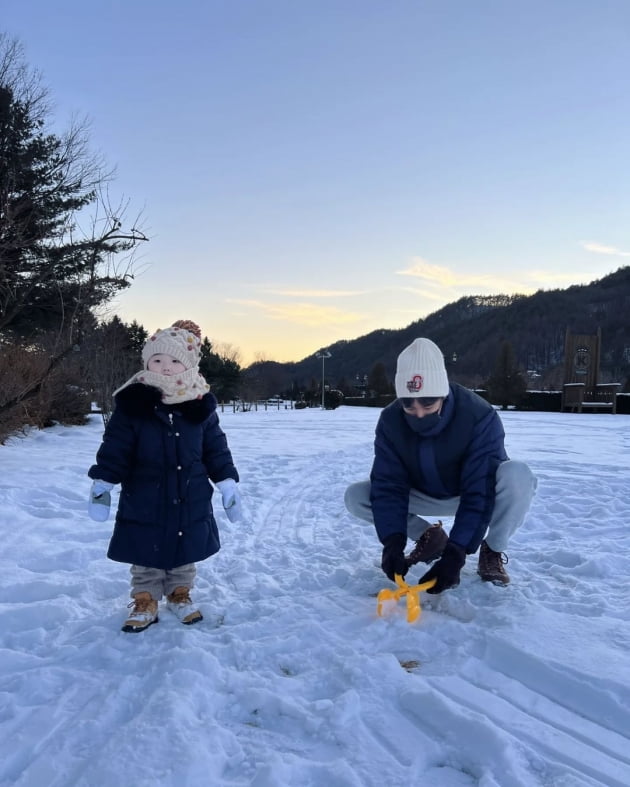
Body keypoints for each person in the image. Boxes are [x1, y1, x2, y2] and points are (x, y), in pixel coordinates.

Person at [344, 337, 537, 594]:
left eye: (427, 403)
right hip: (422, 493)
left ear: (443, 394)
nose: (419, 414)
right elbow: (389, 485)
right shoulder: (390, 421)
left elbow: (479, 491)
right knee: (357, 496)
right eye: (408, 405)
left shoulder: (479, 416)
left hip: (469, 494)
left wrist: (456, 553)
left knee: (518, 475)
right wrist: (392, 542)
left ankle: (492, 549)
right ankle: (429, 537)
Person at [87, 320, 242, 632]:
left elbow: (215, 448)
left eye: (174, 361)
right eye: (157, 360)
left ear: (187, 366)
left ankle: (179, 593)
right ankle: (145, 598)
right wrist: (103, 482)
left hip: (190, 493)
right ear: (147, 363)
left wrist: (226, 482)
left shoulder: (199, 405)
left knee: (185, 547)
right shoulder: (133, 404)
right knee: (146, 547)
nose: (165, 367)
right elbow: (115, 447)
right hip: (145, 493)